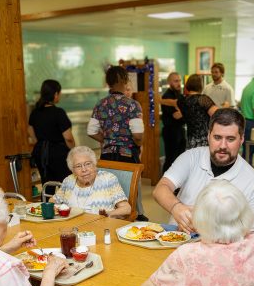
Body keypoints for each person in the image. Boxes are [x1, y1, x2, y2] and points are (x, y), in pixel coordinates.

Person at [152, 108, 254, 234]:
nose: (223, 146)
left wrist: (208, 227)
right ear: (208, 135)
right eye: (217, 137)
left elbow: (251, 234)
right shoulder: (191, 157)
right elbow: (160, 189)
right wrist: (176, 208)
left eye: (230, 139)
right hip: (175, 241)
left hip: (221, 250)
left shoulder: (252, 182)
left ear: (241, 139)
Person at [87, 65, 148, 221]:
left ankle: (111, 219)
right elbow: (138, 135)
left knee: (109, 190)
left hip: (107, 155)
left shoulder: (100, 105)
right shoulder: (133, 105)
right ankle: (136, 218)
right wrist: (136, 144)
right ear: (125, 80)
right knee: (131, 190)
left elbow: (91, 131)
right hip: (128, 156)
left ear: (108, 83)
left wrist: (107, 140)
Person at [52, 146, 131, 219]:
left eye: (88, 164)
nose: (84, 169)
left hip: (100, 227)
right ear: (73, 170)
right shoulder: (68, 180)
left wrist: (109, 213)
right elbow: (53, 201)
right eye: (78, 166)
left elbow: (126, 208)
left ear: (94, 164)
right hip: (72, 227)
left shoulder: (108, 179)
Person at [28, 79, 75, 184]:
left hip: (40, 153)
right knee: (65, 184)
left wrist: (40, 143)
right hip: (58, 154)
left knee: (47, 183)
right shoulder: (58, 113)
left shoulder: (35, 112)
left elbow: (30, 130)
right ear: (55, 94)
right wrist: (73, 151)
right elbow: (68, 138)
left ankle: (47, 199)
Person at [177, 74, 218, 149]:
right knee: (204, 160)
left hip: (190, 140)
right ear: (200, 85)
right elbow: (218, 115)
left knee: (193, 159)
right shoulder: (202, 99)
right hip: (204, 140)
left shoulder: (182, 101)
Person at [161, 72, 186, 172]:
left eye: (179, 81)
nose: (179, 83)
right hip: (170, 132)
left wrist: (183, 113)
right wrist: (184, 113)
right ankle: (164, 183)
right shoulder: (166, 97)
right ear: (169, 82)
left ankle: (177, 185)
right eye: (176, 81)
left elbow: (183, 115)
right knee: (171, 159)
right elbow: (177, 116)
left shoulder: (180, 96)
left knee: (181, 159)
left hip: (180, 130)